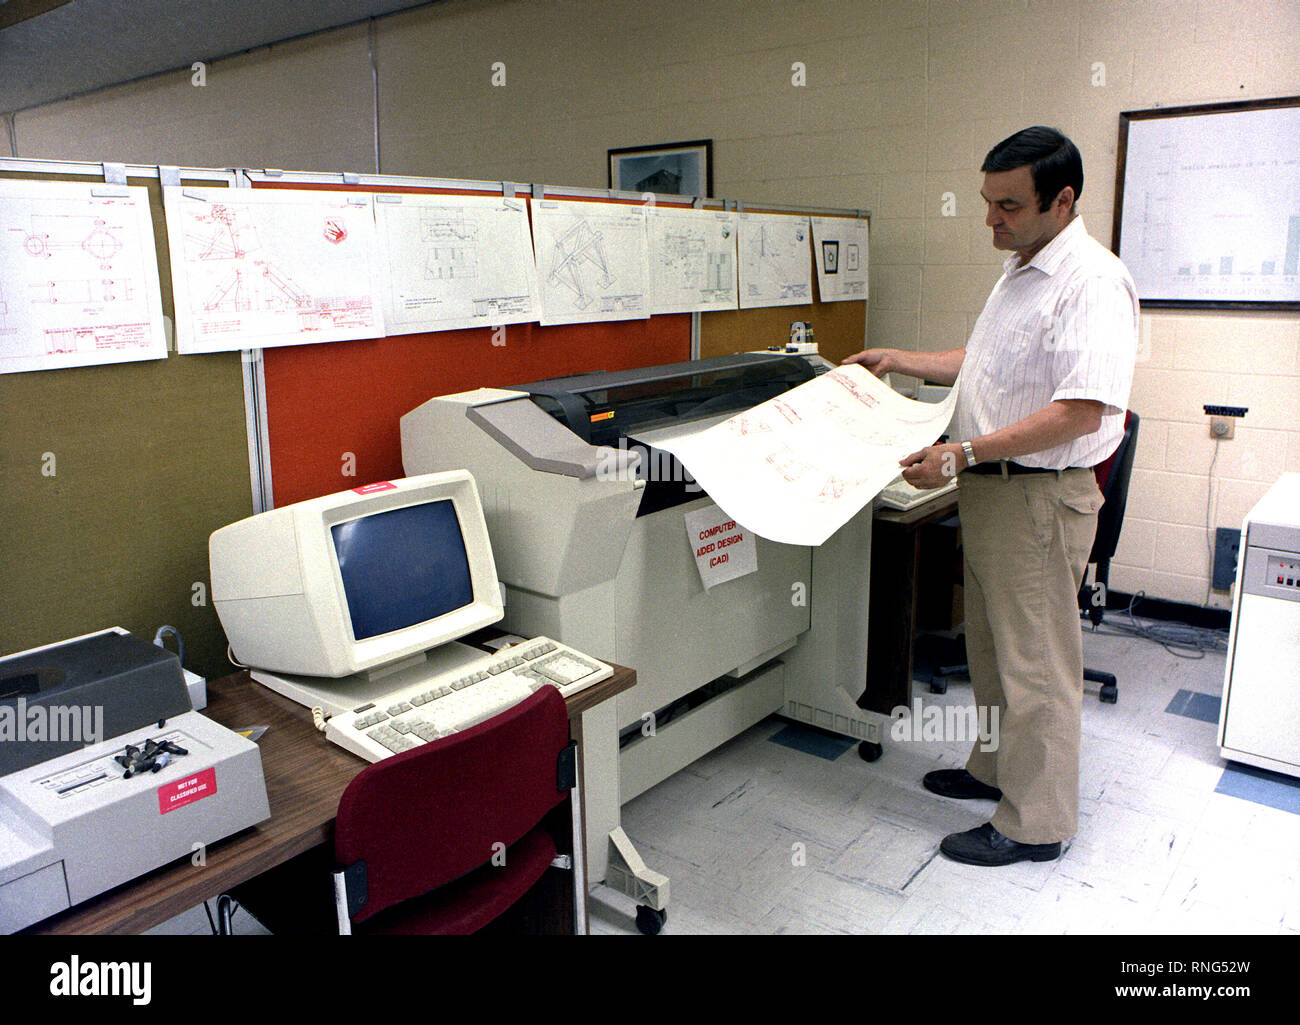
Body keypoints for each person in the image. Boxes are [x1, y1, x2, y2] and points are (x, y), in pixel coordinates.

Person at [844, 126, 1138, 866]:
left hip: (1038, 497)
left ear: (1061, 199)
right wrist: (897, 357)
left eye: (1008, 204)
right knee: (995, 650)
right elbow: (986, 365)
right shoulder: (1023, 265)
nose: (991, 220)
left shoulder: (1091, 282)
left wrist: (962, 453)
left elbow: (1083, 408)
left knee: (1036, 666)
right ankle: (994, 771)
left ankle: (1036, 823)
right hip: (996, 491)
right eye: (986, 202)